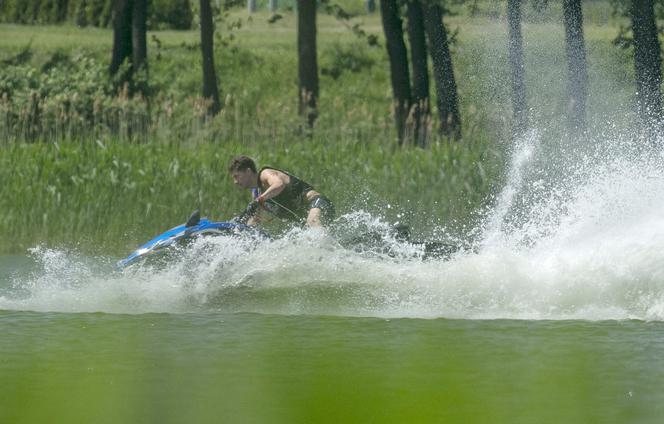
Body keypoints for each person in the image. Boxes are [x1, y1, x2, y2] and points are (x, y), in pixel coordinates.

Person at [229, 155, 334, 228]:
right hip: (306, 222)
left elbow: (279, 184)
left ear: (248, 171)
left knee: (312, 223)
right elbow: (254, 221)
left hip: (317, 204)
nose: (235, 181)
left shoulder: (265, 174)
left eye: (237, 176)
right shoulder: (257, 193)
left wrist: (259, 200)